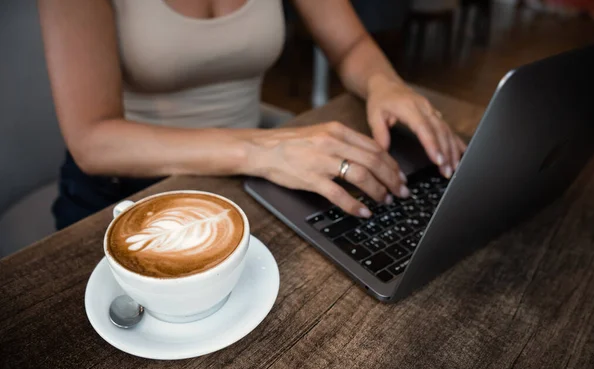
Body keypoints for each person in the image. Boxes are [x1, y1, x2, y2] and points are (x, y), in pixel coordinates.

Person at [38, 0, 466, 229]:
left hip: (243, 181)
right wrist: (264, 147)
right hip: (126, 192)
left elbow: (350, 45)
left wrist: (384, 84)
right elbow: (92, 139)